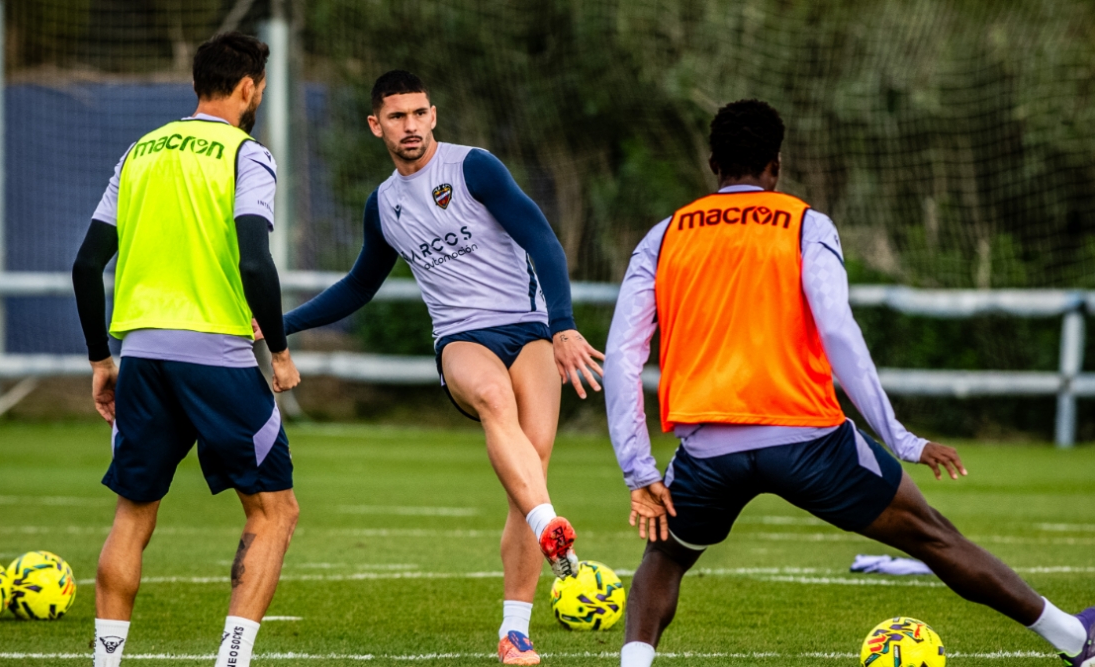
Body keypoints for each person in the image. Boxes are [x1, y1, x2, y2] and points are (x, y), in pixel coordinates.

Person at [603, 99, 1095, 667]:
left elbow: (622, 355)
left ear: (714, 164)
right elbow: (838, 330)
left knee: (664, 560)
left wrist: (639, 469)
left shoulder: (664, 236)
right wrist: (900, 437)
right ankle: (1076, 640)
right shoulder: (804, 224)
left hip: (708, 451)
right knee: (934, 537)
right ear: (776, 164)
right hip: (810, 442)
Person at [278, 70, 604, 665]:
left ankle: (515, 633)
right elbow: (358, 286)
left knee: (529, 476)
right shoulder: (384, 205)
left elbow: (542, 240)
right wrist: (281, 326)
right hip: (461, 338)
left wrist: (562, 326)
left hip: (530, 328)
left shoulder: (474, 168)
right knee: (495, 402)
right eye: (397, 116)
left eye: (419, 113)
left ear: (433, 115)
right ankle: (551, 529)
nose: (410, 126)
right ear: (376, 125)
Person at [71, 32, 301, 667]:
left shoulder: (138, 153)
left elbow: (86, 266)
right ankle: (231, 661)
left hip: (142, 357)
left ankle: (106, 663)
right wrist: (281, 352)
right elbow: (255, 260)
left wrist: (101, 360)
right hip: (217, 357)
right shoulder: (246, 155)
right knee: (274, 511)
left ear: (196, 83)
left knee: (132, 515)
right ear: (249, 87)